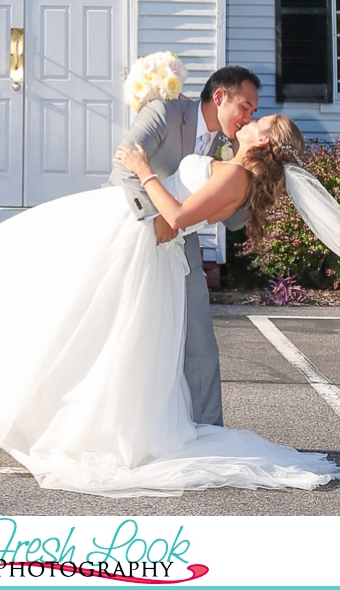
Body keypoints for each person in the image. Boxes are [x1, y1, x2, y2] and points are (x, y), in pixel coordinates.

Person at [0, 111, 340, 496]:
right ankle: (47, 409)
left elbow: (177, 217)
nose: (249, 120)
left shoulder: (235, 177)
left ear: (263, 142)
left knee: (87, 325)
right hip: (135, 233)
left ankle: (75, 423)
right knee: (77, 317)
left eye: (259, 122)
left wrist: (143, 170)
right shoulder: (233, 171)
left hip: (141, 242)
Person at [107, 64, 261, 426]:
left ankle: (209, 430)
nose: (248, 116)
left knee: (200, 341)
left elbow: (234, 220)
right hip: (133, 228)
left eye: (254, 112)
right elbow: (124, 168)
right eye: (246, 107)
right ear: (220, 96)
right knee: (124, 333)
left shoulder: (230, 146)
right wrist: (155, 220)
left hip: (181, 242)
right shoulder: (165, 112)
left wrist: (256, 175)